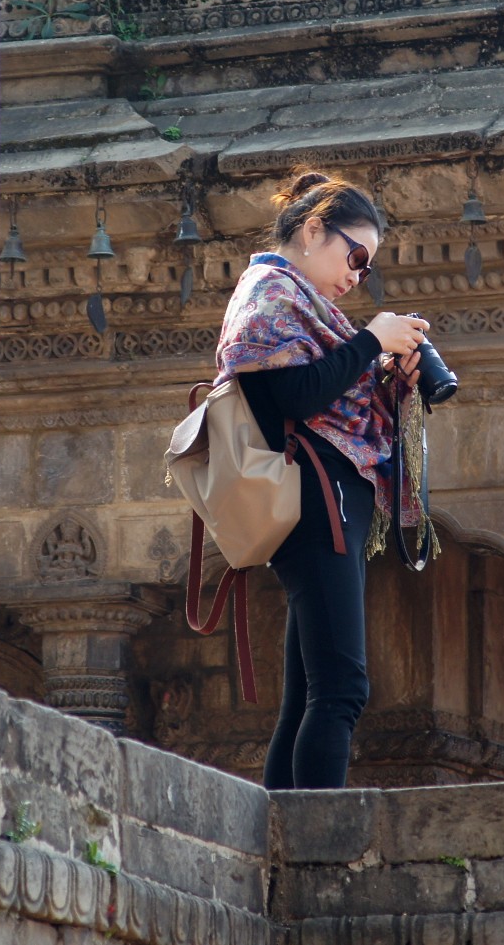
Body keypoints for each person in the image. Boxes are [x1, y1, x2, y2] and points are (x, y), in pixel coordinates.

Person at [214, 169, 431, 790]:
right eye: (354, 255)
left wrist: (395, 375)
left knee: (311, 691)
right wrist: (368, 343)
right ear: (313, 230)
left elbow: (328, 388)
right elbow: (293, 395)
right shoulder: (271, 294)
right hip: (314, 504)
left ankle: (282, 828)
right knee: (342, 688)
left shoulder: (305, 308)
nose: (357, 276)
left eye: (368, 268)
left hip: (330, 506)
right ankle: (316, 848)